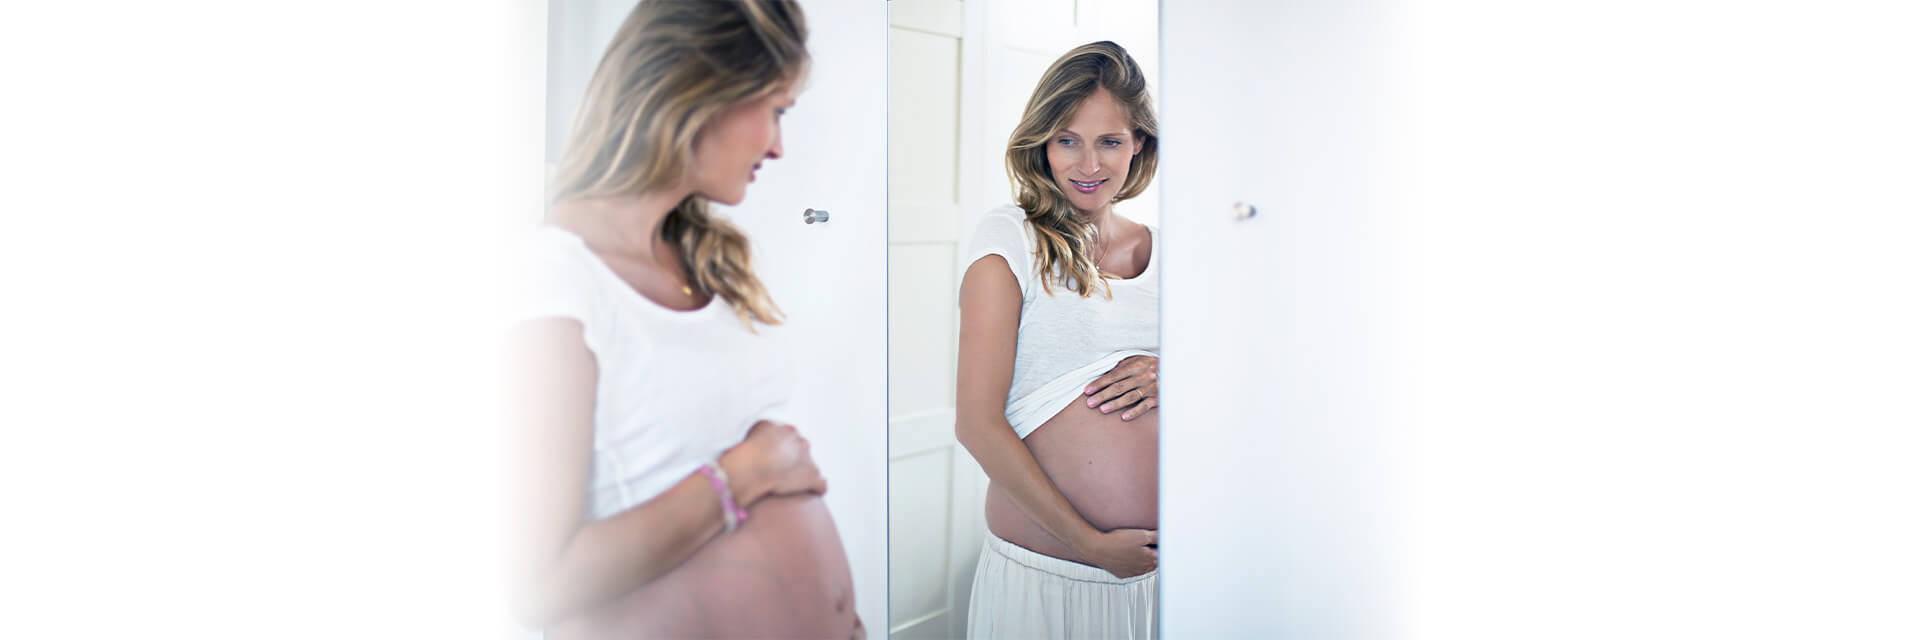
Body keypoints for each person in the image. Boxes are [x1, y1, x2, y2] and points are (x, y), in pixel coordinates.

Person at [506, 1, 862, 637]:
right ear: (703, 89)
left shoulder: (703, 260)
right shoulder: (554, 281)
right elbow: (533, 586)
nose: (780, 146)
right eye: (776, 110)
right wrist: (743, 477)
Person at [956, 41, 1163, 639]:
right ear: (1042, 144)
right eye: (1067, 139)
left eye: (1110, 141)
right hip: (1049, 575)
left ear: (1139, 143)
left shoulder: (1174, 249)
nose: (1088, 163)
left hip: (1156, 584)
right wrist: (1093, 545)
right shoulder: (1011, 238)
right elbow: (976, 422)